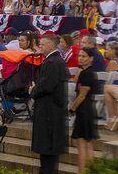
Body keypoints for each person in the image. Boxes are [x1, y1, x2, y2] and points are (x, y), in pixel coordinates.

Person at [29, 32, 69, 174]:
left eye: (42, 44)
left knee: (48, 155)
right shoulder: (54, 60)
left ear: (51, 45)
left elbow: (46, 86)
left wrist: (33, 91)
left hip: (49, 113)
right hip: (50, 111)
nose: (39, 47)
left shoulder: (53, 62)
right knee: (48, 157)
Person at [68, 47, 98, 173]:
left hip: (84, 110)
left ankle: (83, 171)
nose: (80, 58)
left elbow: (82, 95)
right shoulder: (85, 72)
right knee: (87, 144)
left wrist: (71, 109)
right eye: (79, 56)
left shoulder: (88, 74)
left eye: (84, 56)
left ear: (91, 59)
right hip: (87, 110)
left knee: (82, 146)